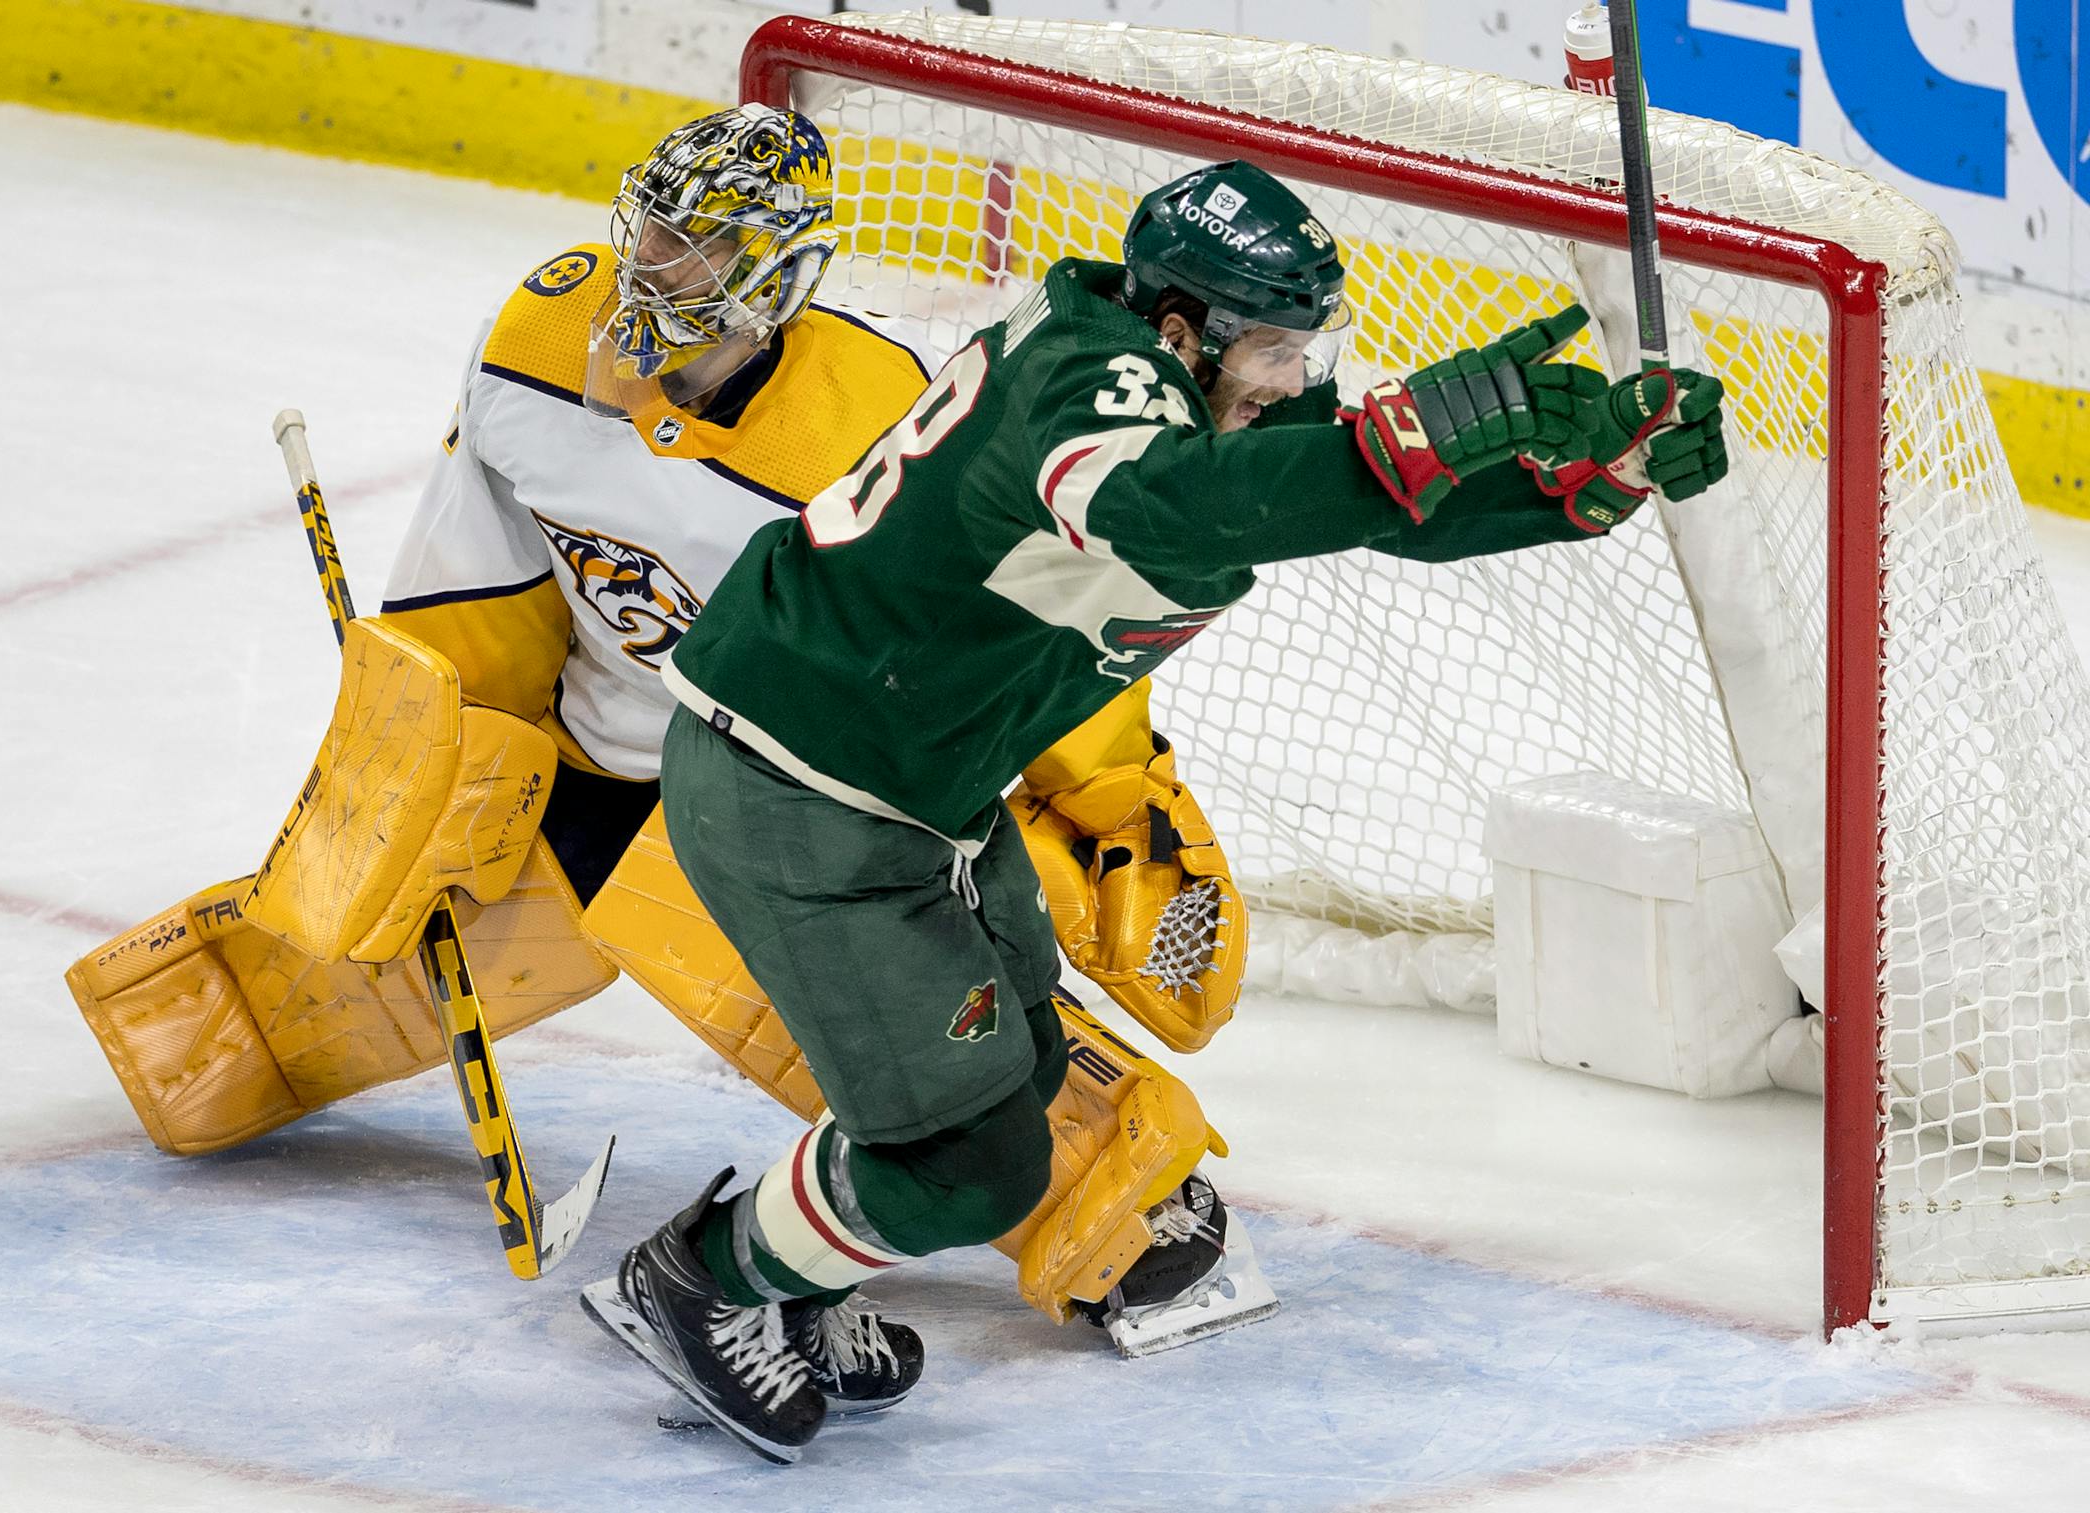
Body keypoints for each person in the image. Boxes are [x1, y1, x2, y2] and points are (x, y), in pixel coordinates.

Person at [64, 105, 1271, 1412]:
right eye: (654, 230)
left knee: (937, 1067)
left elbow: (1010, 632)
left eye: (703, 252)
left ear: (781, 277)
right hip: (574, 796)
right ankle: (227, 1017)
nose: (658, 268)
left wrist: (1103, 793)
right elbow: (480, 592)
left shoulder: (879, 419)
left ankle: (1114, 1202)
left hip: (781, 815)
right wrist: (420, 771)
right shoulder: (538, 343)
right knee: (231, 1023)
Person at [612, 157, 1731, 1462]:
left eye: (1314, 347)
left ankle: (794, 1261)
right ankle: (712, 1277)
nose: (1301, 379)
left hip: (918, 793)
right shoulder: (1100, 390)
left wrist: (1577, 486)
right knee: (967, 1165)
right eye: (1275, 348)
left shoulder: (1176, 388)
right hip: (800, 790)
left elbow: (1343, 500)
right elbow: (1160, 498)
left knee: (1020, 1080)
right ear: (1184, 331)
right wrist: (1400, 446)